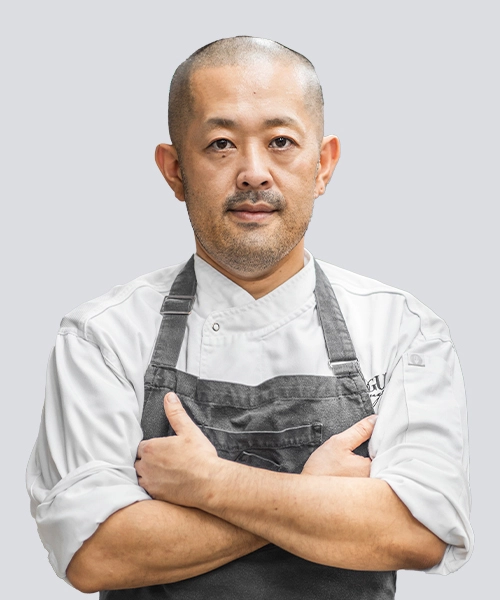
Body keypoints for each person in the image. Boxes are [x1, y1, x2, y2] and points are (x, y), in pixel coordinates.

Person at [27, 36, 473, 599]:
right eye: (220, 144)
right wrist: (315, 496)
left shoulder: (403, 330)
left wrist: (211, 484)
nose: (254, 173)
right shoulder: (103, 336)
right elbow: (97, 553)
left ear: (323, 164)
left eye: (281, 141)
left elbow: (418, 531)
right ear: (175, 170)